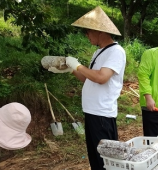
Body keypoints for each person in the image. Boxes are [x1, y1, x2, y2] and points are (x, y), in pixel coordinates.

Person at [48, 6, 126, 170]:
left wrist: (78, 65)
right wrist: (72, 69)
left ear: (100, 32)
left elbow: (101, 78)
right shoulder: (98, 52)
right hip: (92, 112)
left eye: (88, 32)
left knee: (105, 160)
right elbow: (87, 78)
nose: (86, 35)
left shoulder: (116, 52)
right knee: (95, 158)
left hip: (102, 114)